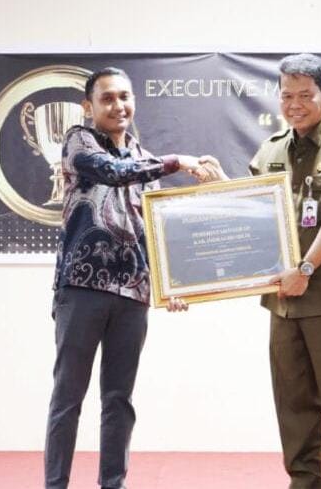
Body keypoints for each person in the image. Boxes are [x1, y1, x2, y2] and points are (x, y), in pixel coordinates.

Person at [205, 54, 321, 488]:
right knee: (293, 399)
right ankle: (304, 480)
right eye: (286, 96)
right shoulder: (271, 149)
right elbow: (252, 211)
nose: (294, 104)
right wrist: (220, 186)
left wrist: (305, 268)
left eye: (305, 95)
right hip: (283, 300)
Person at [44, 67, 207, 489]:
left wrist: (170, 286)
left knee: (119, 400)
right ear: (89, 106)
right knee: (68, 397)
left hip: (133, 293)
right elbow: (113, 172)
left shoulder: (140, 155)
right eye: (107, 98)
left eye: (124, 97)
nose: (118, 106)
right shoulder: (79, 141)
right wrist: (176, 161)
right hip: (82, 288)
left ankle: (113, 483)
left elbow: (150, 228)